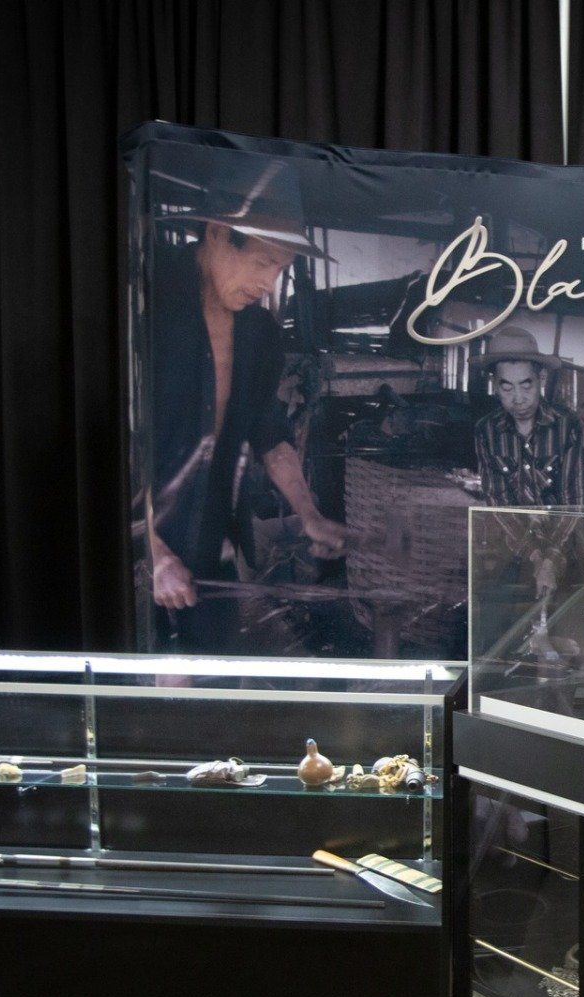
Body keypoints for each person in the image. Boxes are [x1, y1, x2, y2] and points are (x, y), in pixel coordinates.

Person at [138, 163, 349, 652]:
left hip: (211, 541)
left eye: (280, 269)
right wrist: (152, 553)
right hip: (137, 548)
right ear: (216, 233)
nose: (269, 283)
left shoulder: (258, 332)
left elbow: (269, 434)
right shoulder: (146, 305)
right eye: (261, 262)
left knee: (213, 675)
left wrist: (308, 514)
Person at [473, 327, 584, 508]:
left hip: (561, 524)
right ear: (495, 385)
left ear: (542, 378)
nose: (518, 398)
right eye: (507, 388)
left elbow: (573, 499)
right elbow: (497, 501)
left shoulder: (567, 426)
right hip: (510, 525)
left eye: (526, 386)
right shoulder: (486, 431)